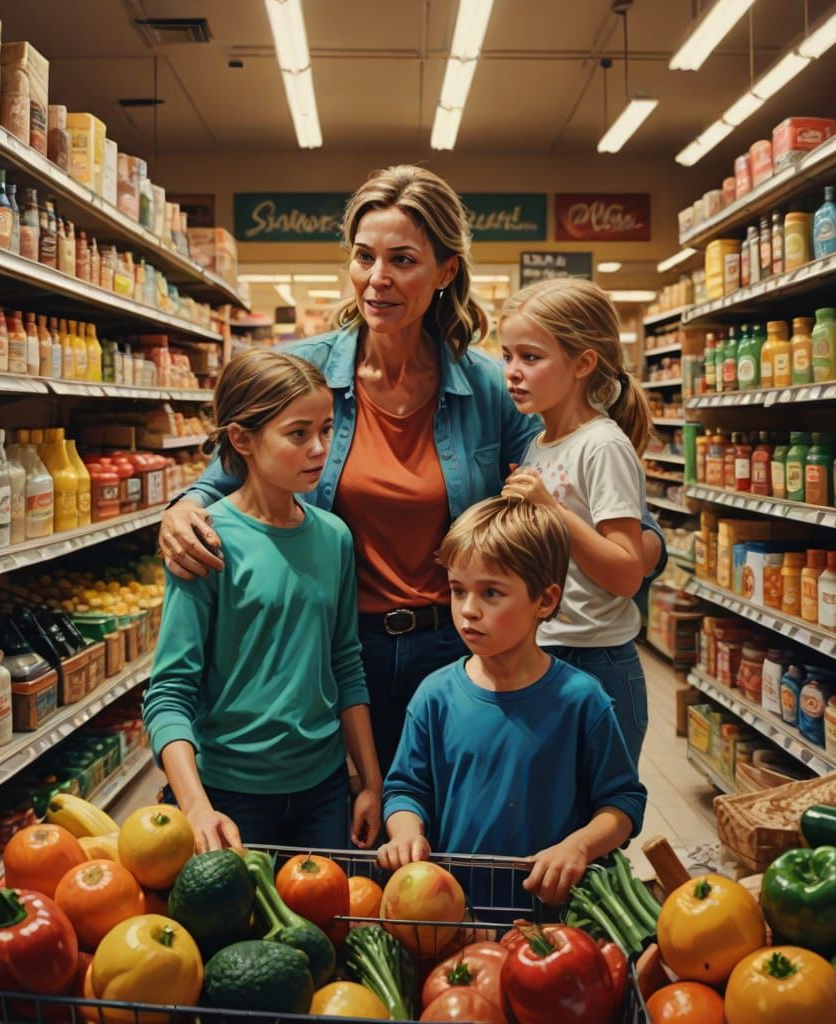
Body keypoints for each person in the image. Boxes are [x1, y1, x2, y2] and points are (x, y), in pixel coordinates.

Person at [158, 164, 665, 774]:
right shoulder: (305, 375)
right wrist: (183, 507)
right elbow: (224, 474)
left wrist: (641, 551)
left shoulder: (489, 388)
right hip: (334, 648)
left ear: (446, 272)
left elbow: (587, 488)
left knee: (441, 831)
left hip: (459, 645)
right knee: (351, 826)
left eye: (402, 260)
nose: (377, 280)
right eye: (364, 256)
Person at [143, 349, 381, 852]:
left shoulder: (335, 536)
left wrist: (372, 781)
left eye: (326, 429)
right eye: (298, 434)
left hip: (323, 791)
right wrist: (196, 806)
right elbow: (169, 691)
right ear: (243, 439)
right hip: (230, 795)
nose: (319, 448)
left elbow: (345, 664)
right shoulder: (206, 541)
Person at [377, 496, 646, 906]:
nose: (468, 611)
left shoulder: (581, 700)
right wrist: (406, 833)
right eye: (457, 590)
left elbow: (623, 803)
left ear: (545, 600)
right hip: (452, 913)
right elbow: (405, 789)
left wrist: (579, 846)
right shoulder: (434, 697)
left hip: (553, 919)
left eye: (491, 593)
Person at [500, 278, 654, 766]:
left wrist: (551, 510)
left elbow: (628, 572)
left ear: (583, 363)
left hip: (597, 661)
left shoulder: (602, 445)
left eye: (530, 357)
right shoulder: (539, 445)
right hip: (546, 649)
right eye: (507, 356)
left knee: (595, 817)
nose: (512, 373)